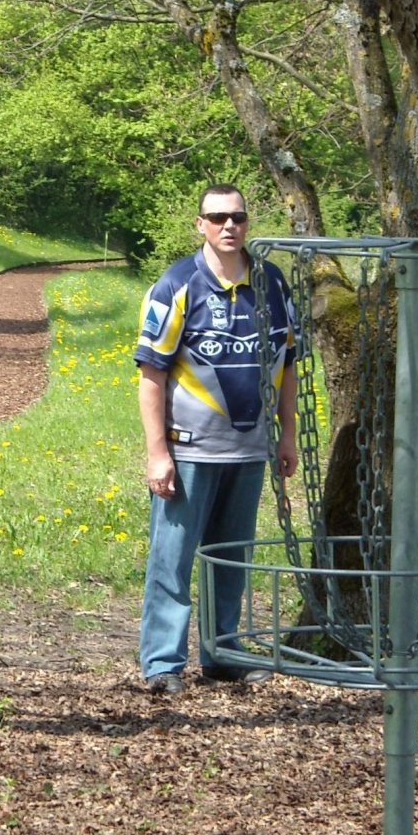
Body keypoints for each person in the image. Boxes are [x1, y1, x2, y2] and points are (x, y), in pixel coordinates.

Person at [135, 184, 298, 695]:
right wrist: (157, 452)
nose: (230, 226)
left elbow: (288, 364)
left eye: (239, 217)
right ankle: (162, 665)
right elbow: (150, 374)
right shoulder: (176, 283)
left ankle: (223, 654)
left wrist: (287, 435)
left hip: (249, 451)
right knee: (173, 561)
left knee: (231, 559)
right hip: (189, 451)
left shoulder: (271, 282)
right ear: (200, 224)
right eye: (218, 217)